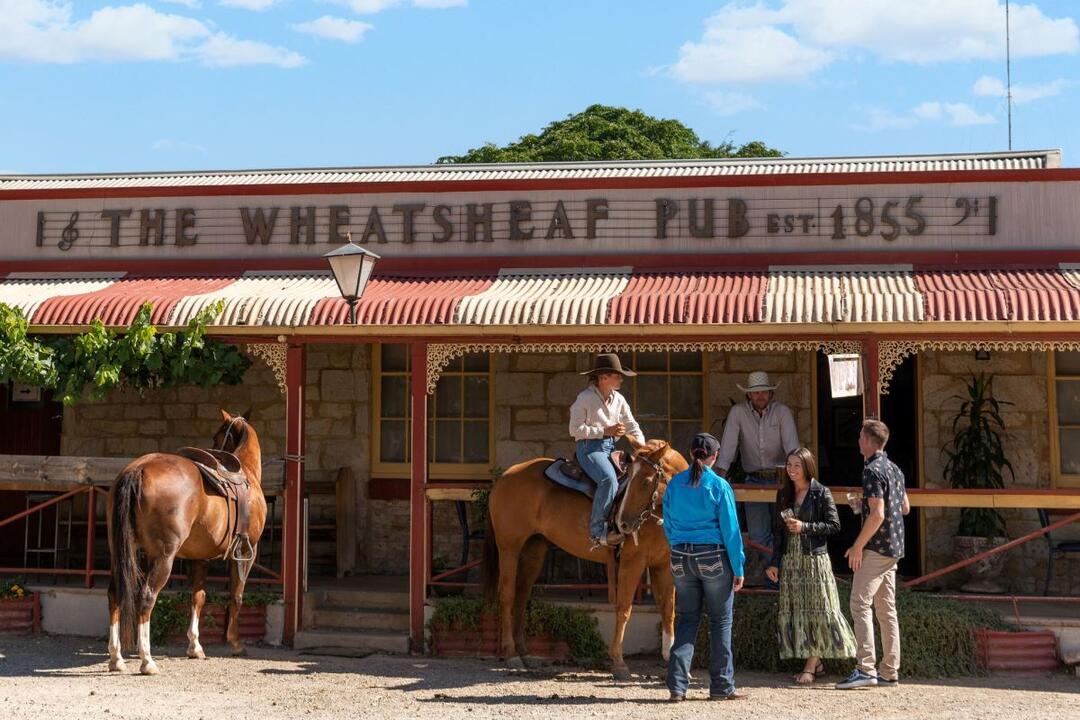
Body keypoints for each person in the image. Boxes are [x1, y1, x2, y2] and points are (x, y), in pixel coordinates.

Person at [663, 432, 746, 702]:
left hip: (680, 556)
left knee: (687, 619)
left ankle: (677, 686)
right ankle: (721, 686)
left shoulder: (674, 484)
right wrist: (739, 567)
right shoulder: (719, 486)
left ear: (690, 453)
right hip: (713, 556)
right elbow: (731, 531)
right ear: (715, 456)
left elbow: (669, 523)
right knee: (721, 621)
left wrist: (678, 548)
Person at [766, 448, 856, 684]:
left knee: (819, 610)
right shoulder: (784, 493)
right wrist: (774, 562)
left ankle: (810, 666)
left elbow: (834, 525)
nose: (792, 470)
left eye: (797, 465)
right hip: (791, 559)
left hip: (815, 560)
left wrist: (805, 527)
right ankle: (817, 662)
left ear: (807, 467)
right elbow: (777, 532)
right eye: (789, 465)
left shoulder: (820, 492)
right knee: (800, 612)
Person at [836, 419, 911, 690]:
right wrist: (864, 505)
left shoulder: (871, 471)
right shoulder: (894, 468)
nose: (858, 442)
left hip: (877, 547)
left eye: (860, 437)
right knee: (886, 609)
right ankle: (889, 671)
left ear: (868, 441)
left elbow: (879, 513)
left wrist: (857, 546)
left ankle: (865, 667)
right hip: (895, 547)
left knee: (859, 603)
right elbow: (903, 508)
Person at [715, 371, 799, 588]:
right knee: (758, 535)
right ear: (748, 396)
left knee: (785, 530)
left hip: (781, 480)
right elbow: (727, 450)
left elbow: (792, 449)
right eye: (755, 392)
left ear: (771, 393)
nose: (760, 396)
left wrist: (798, 481)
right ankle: (772, 581)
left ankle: (785, 580)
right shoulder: (738, 413)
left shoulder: (782, 412)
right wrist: (717, 481)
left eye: (764, 392)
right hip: (753, 480)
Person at [568, 353, 645, 548]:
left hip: (610, 449)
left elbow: (632, 426)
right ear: (603, 378)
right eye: (617, 375)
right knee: (608, 480)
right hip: (588, 449)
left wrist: (642, 449)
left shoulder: (619, 399)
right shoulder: (584, 398)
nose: (620, 378)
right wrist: (604, 431)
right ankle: (597, 533)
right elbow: (574, 429)